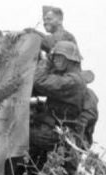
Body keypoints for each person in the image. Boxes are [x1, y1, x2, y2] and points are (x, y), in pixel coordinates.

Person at [29, 40, 87, 168]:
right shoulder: (70, 78)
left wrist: (47, 59)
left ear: (71, 59)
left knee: (19, 134)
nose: (55, 60)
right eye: (54, 57)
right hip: (55, 130)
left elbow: (39, 81)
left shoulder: (72, 81)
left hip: (56, 134)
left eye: (59, 56)